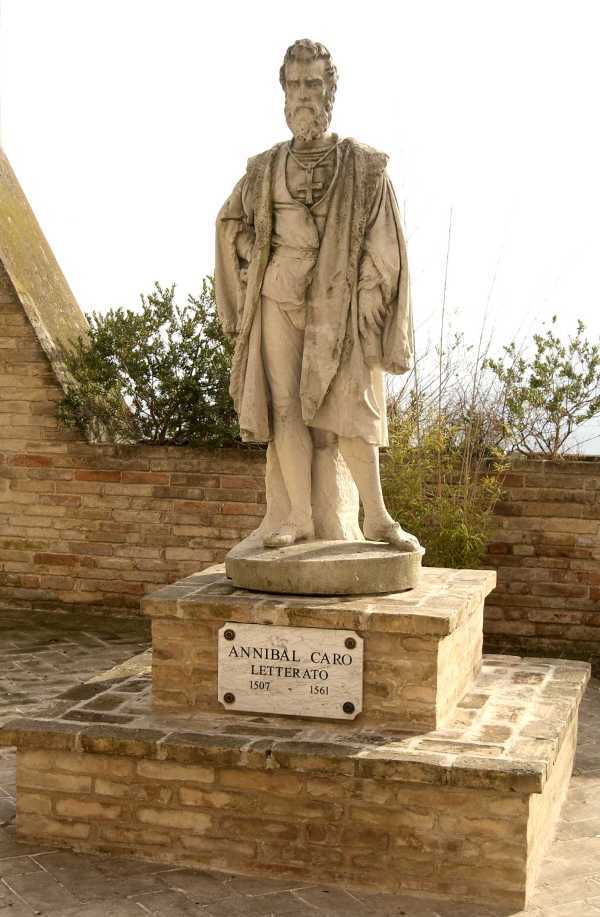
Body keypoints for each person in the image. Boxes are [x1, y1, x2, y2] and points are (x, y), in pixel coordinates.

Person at [215, 39, 420, 553]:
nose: (303, 94)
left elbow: (385, 240)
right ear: (282, 91)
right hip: (277, 297)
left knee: (352, 405)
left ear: (331, 89)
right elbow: (230, 222)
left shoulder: (363, 165)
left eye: (313, 84)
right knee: (285, 407)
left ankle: (376, 516)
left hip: (341, 304)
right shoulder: (263, 168)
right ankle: (297, 519)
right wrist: (253, 251)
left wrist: (371, 293)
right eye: (295, 84)